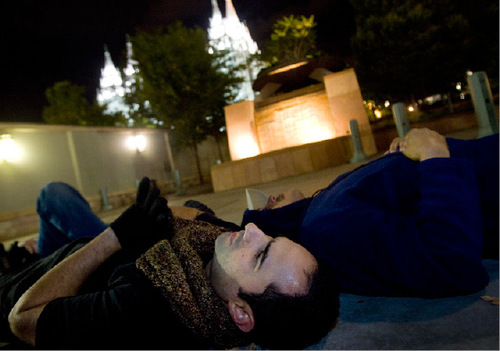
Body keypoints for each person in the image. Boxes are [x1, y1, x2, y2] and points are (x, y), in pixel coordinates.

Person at [0, 178, 339, 349]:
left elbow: (22, 318)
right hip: (65, 252)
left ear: (241, 312)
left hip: (19, 286)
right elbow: (190, 214)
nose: (251, 229)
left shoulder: (141, 307)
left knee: (54, 194)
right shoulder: (224, 260)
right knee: (53, 194)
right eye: (270, 238)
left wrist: (114, 237)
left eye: (261, 254)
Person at [243, 128, 499, 297]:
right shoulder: (325, 229)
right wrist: (434, 155)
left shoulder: (323, 211)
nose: (272, 197)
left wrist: (395, 163)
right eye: (267, 209)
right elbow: (449, 262)